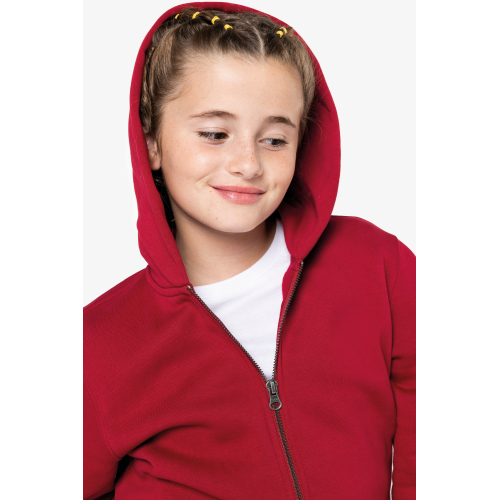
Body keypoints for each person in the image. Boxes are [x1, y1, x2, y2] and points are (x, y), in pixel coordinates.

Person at [83, 3, 416, 499]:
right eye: (215, 134)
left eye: (275, 139)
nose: (248, 163)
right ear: (151, 142)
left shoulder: (376, 266)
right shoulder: (96, 344)